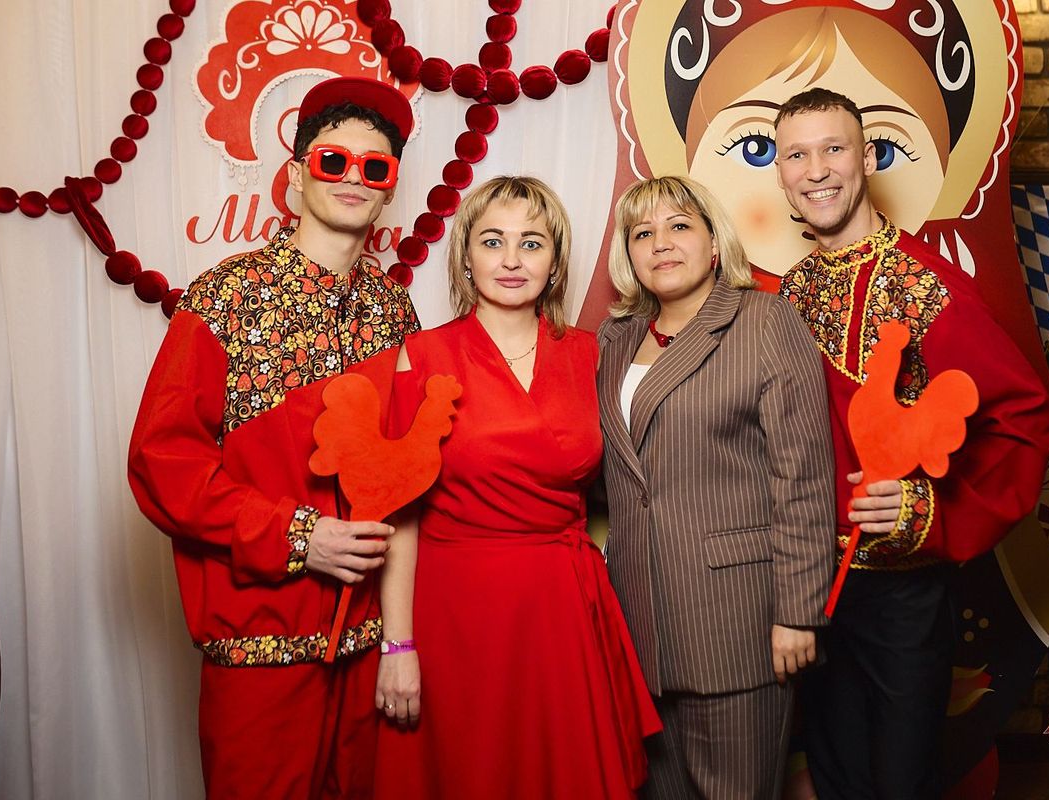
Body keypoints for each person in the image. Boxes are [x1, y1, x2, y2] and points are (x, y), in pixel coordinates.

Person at [128, 76, 419, 799]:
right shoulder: (225, 297)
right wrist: (296, 535)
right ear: (295, 175)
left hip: (368, 653)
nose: (353, 178)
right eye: (333, 160)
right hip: (259, 646)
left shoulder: (395, 313)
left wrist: (401, 638)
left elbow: (407, 479)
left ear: (389, 189)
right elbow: (163, 463)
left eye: (374, 167)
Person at [772, 88, 1049, 800]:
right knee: (834, 775)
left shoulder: (925, 287)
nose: (816, 170)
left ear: (868, 157)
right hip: (810, 588)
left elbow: (1026, 418)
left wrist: (927, 509)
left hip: (899, 592)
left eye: (834, 149)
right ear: (779, 170)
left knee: (902, 781)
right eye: (796, 155)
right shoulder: (792, 292)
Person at [372, 176, 661, 799]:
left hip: (561, 607)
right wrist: (398, 644)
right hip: (457, 612)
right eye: (492, 241)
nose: (511, 260)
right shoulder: (421, 356)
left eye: (531, 243)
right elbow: (399, 515)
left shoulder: (591, 355)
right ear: (465, 256)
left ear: (555, 262)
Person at [598, 174, 836, 798]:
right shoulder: (613, 341)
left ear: (713, 241)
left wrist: (798, 613)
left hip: (734, 620)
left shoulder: (764, 321)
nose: (661, 243)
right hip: (638, 620)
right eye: (642, 233)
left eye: (680, 225)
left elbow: (804, 478)